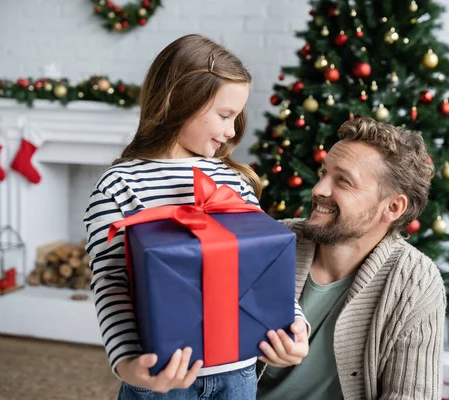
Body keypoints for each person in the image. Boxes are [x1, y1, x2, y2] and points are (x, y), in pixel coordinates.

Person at [83, 34, 309, 400]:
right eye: (224, 115)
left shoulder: (233, 180)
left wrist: (294, 325)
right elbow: (110, 281)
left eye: (237, 117)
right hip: (163, 380)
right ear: (180, 101)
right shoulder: (119, 185)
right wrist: (127, 362)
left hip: (238, 374)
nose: (233, 131)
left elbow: (265, 264)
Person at [256, 116, 446, 400]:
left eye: (343, 181)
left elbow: (410, 395)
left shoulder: (416, 283)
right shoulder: (269, 243)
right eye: (323, 173)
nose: (319, 189)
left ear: (393, 206)